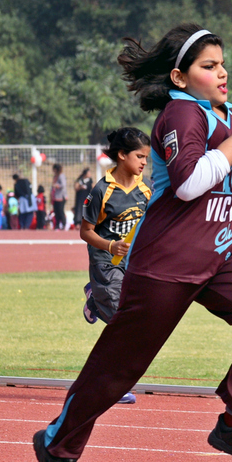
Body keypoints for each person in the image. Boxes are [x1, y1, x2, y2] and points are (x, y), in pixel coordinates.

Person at [33, 24, 232, 462]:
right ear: (180, 75)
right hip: (168, 258)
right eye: (208, 66)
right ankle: (57, 446)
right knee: (118, 370)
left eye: (222, 64)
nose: (221, 73)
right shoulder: (179, 114)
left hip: (221, 251)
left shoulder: (223, 112)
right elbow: (191, 182)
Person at [81, 127, 153, 326]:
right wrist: (110, 246)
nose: (144, 162)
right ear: (122, 155)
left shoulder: (147, 188)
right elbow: (85, 232)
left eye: (146, 157)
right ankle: (98, 297)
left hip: (134, 260)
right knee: (122, 319)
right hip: (106, 260)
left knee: (143, 310)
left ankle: (95, 300)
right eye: (139, 156)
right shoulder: (101, 190)